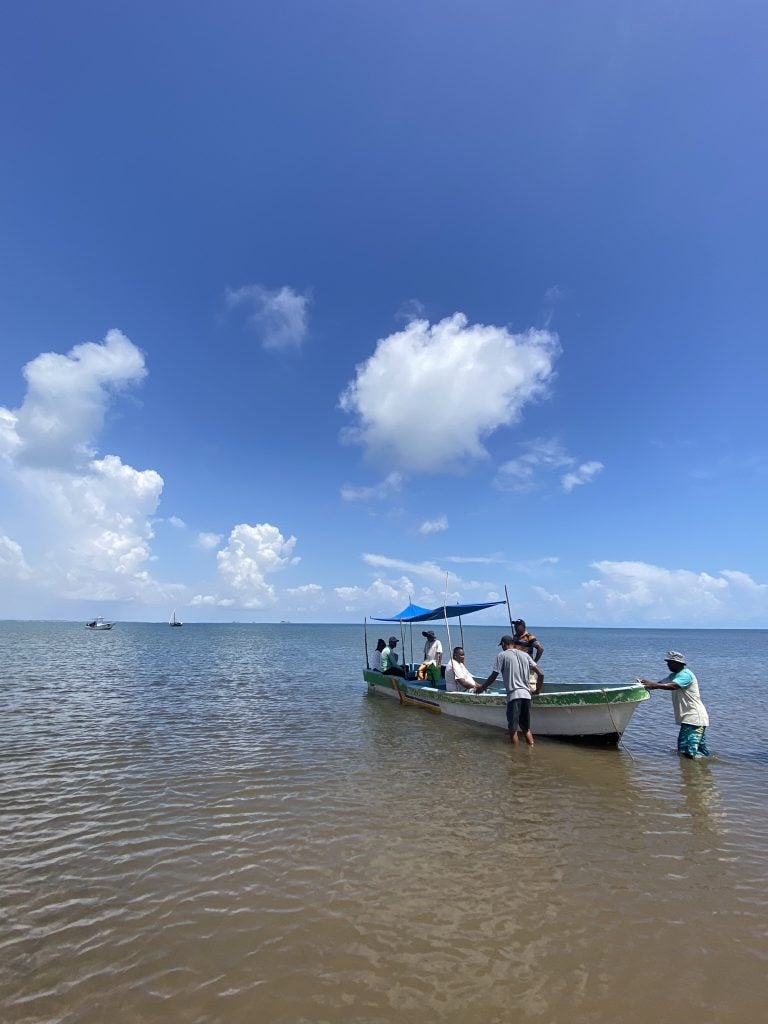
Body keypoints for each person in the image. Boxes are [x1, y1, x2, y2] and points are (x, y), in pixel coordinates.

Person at [640, 651, 710, 758]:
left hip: (694, 718)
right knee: (699, 752)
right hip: (690, 719)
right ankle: (702, 772)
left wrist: (653, 684)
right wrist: (643, 684)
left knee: (686, 751)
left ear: (678, 663)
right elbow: (659, 684)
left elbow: (673, 686)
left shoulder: (686, 675)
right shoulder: (674, 675)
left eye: (670, 662)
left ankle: (691, 773)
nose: (667, 664)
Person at [476, 635, 544, 745]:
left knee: (513, 731)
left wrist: (482, 688)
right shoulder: (525, 655)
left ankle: (515, 759)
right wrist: (537, 691)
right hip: (527, 696)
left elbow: (494, 676)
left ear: (504, 644)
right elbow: (541, 674)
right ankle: (531, 751)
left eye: (501, 646)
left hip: (514, 697)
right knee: (526, 729)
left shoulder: (501, 655)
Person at [511, 618, 544, 693]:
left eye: (517, 626)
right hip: (517, 667)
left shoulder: (529, 637)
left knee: (531, 686)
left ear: (523, 626)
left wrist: (534, 663)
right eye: (514, 626)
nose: (515, 627)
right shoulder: (515, 637)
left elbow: (540, 649)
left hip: (528, 667)